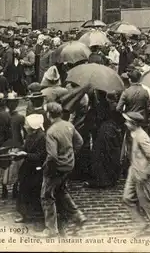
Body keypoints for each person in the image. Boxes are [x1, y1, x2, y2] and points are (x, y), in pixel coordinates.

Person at [38, 102, 86, 238]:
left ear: (48, 114)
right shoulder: (69, 125)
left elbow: (52, 155)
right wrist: (71, 155)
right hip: (69, 165)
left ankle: (51, 229)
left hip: (56, 168)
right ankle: (78, 216)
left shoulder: (51, 131)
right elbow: (80, 141)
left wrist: (46, 167)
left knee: (47, 196)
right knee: (61, 190)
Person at [122, 112, 150, 236]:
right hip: (133, 170)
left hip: (143, 173)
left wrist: (146, 173)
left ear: (134, 124)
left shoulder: (142, 136)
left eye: (127, 122)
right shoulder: (132, 133)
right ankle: (141, 224)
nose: (125, 123)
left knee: (145, 201)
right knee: (127, 198)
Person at [84, 92, 124, 188]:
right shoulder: (114, 107)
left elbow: (94, 121)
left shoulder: (99, 106)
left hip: (103, 132)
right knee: (111, 155)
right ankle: (111, 178)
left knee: (100, 157)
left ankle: (103, 180)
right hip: (112, 131)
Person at [14, 114, 47, 224]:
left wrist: (26, 154)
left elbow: (40, 156)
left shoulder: (42, 137)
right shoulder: (29, 135)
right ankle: (24, 214)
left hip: (36, 169)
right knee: (23, 191)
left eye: (27, 125)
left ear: (33, 126)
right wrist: (18, 151)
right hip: (27, 168)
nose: (25, 126)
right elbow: (25, 147)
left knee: (34, 193)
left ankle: (36, 216)